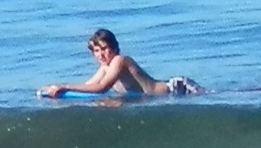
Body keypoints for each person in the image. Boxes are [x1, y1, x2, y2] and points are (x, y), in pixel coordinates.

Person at [38, 29, 204, 99]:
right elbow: (88, 86)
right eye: (96, 51)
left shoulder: (119, 61)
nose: (101, 54)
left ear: (115, 48)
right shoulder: (105, 67)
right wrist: (56, 88)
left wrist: (65, 87)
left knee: (212, 96)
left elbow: (101, 88)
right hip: (164, 96)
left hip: (177, 88)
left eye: (105, 49)